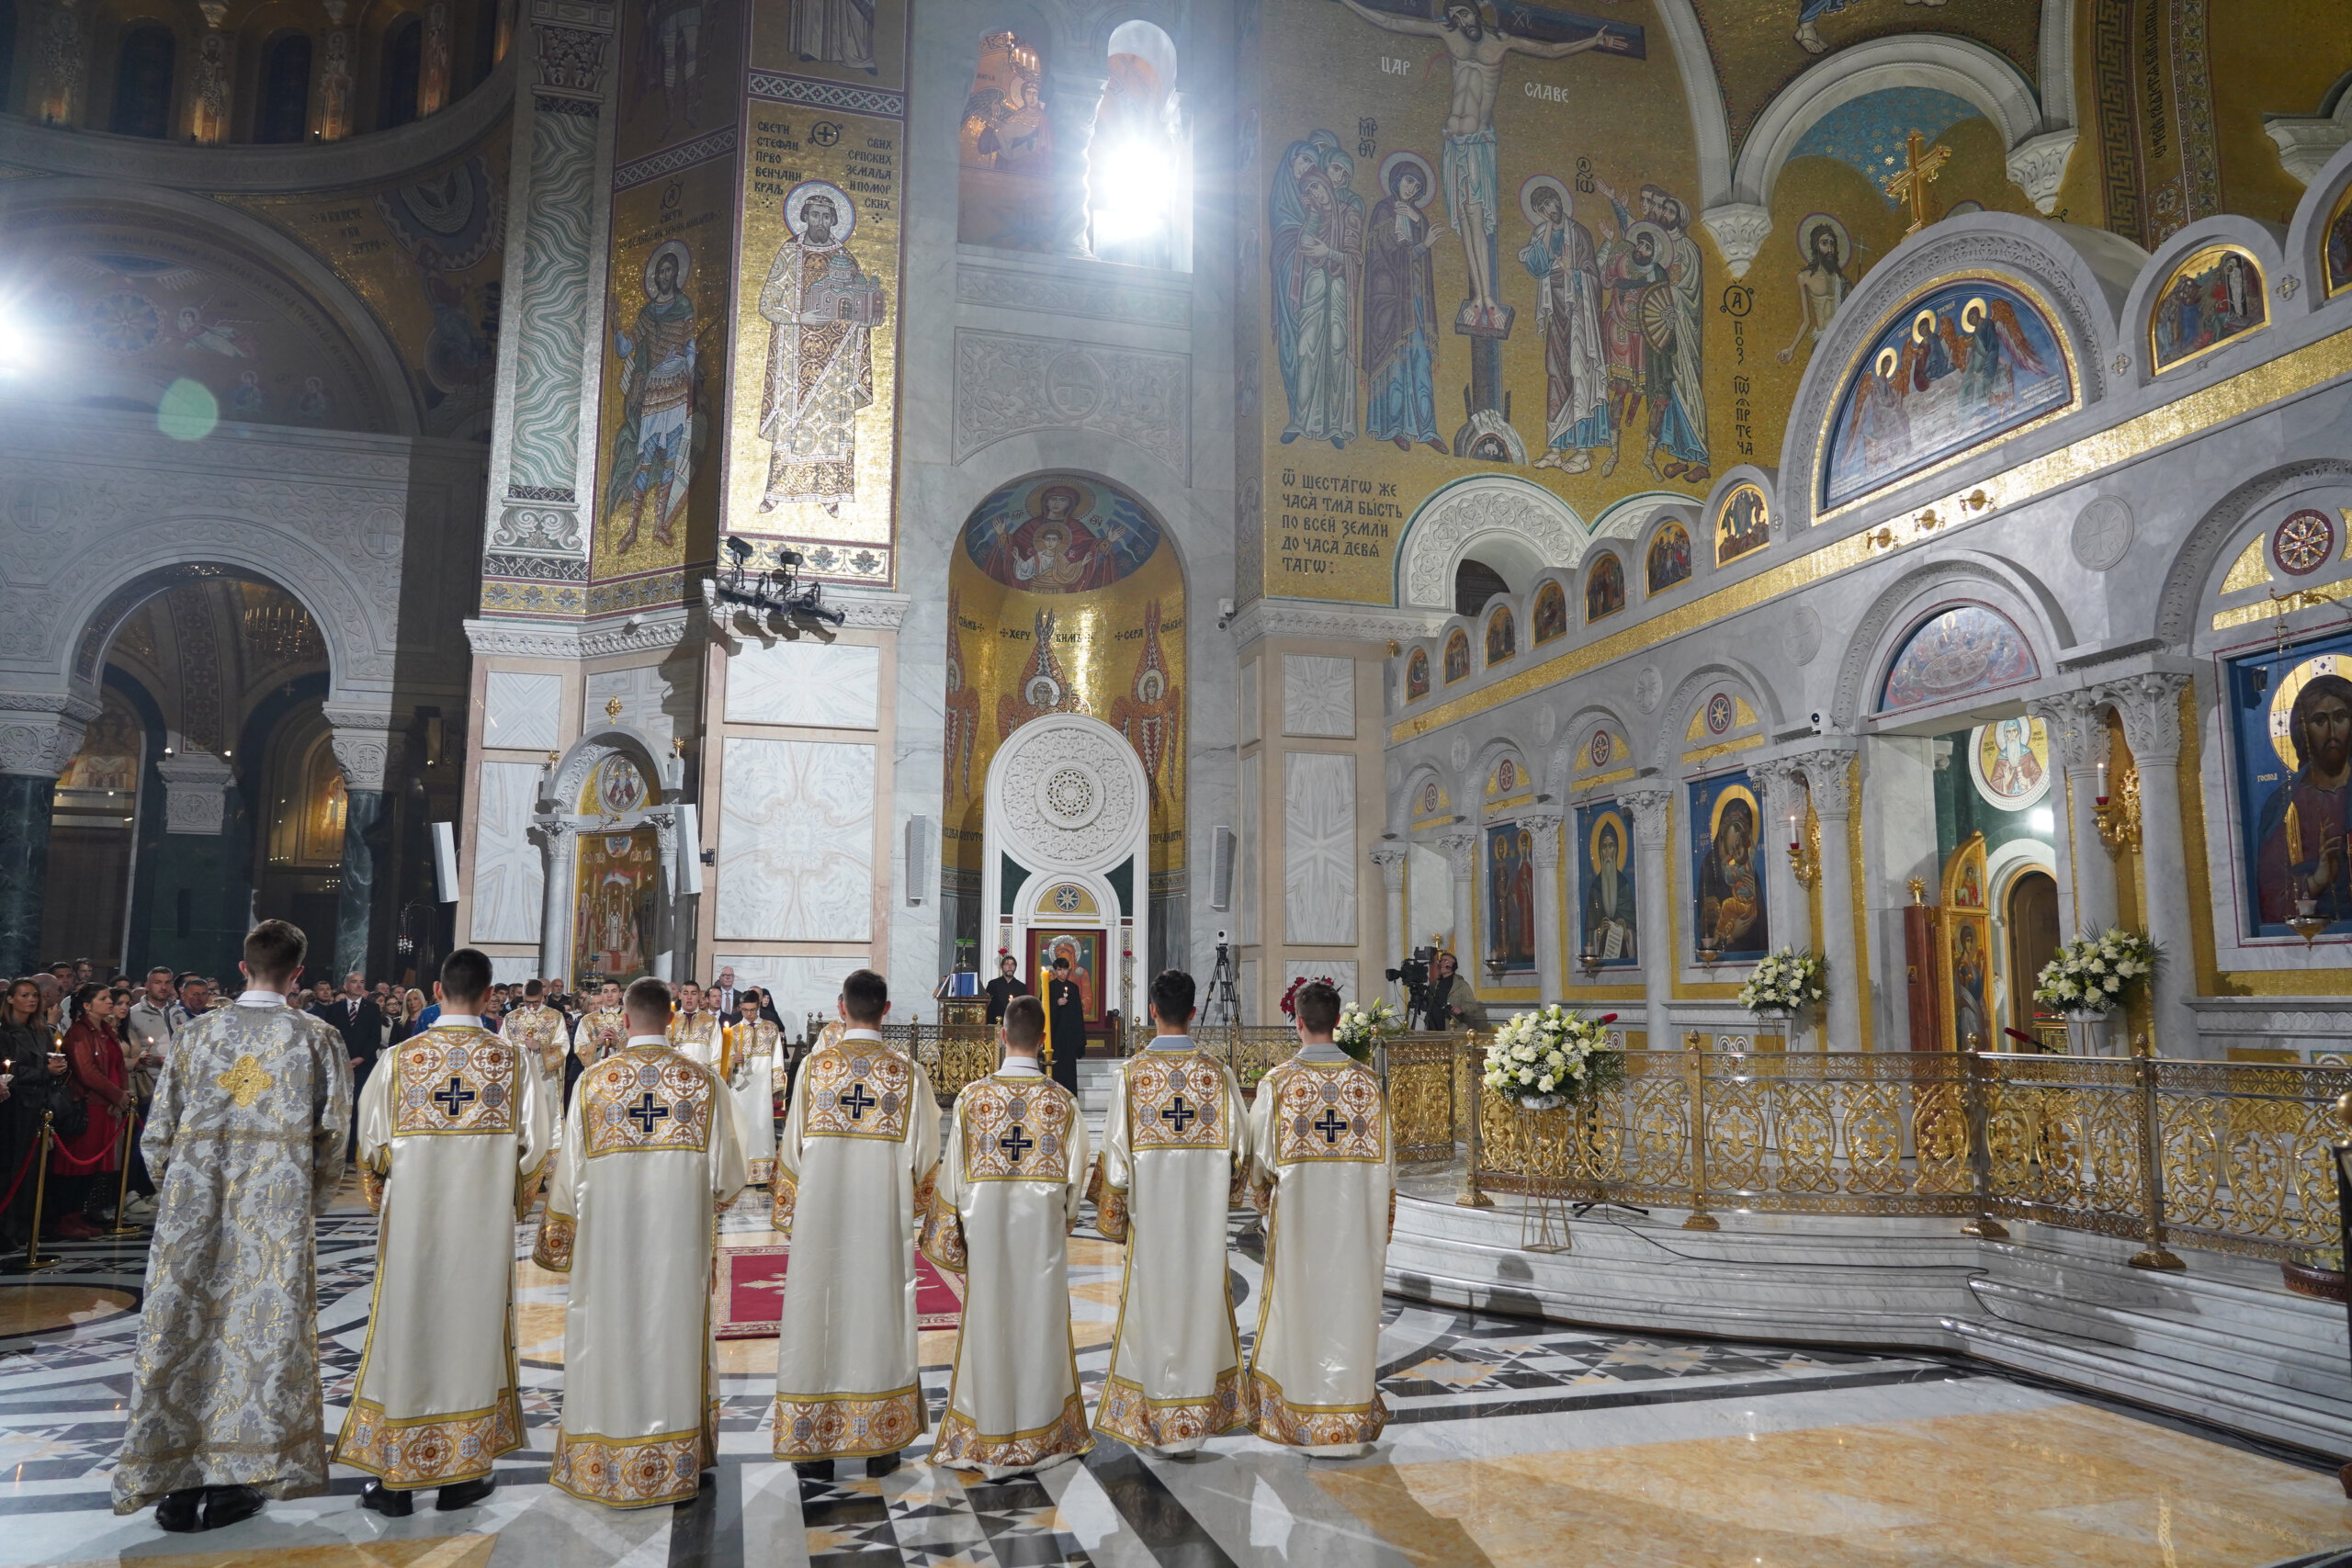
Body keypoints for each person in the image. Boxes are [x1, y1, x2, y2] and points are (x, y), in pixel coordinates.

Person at [111, 919, 351, 1531]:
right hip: (273, 1217)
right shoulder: (316, 1037)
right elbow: (333, 1139)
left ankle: (173, 1483)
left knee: (184, 1335)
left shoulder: (198, 1034)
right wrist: (307, 1201)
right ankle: (233, 1481)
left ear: (242, 967)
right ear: (297, 972)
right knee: (255, 1341)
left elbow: (158, 1130)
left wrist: (181, 1195)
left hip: (194, 1210)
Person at [337, 949, 551, 1517]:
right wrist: (510, 1202)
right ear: (489, 997)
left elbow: (372, 1148)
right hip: (481, 1233)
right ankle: (463, 1473)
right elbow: (535, 1155)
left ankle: (397, 1481)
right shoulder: (513, 1062)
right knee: (472, 1334)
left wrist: (390, 1202)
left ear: (436, 990)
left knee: (406, 1328)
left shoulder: (401, 1058)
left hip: (413, 1228)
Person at [535, 976, 746, 1506]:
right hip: (678, 1246)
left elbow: (568, 1178)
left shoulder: (593, 1084)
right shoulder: (702, 1084)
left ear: (624, 1020)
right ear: (672, 1019)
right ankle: (677, 1454)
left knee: (610, 1333)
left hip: (610, 1246)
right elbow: (728, 1181)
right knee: (673, 1333)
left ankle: (606, 1451)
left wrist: (559, 1237)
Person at [771, 968, 940, 1479]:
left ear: (842, 1008)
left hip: (821, 1226)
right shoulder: (906, 1074)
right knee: (878, 1315)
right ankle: (880, 1443)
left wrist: (793, 1211)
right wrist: (906, 1204)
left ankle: (813, 1445)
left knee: (815, 1316)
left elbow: (793, 1155)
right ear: (886, 1010)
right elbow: (927, 1160)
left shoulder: (815, 1070)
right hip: (879, 1224)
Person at [920, 993, 1091, 1477]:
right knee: (1040, 1323)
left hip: (988, 1237)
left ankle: (988, 1430)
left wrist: (951, 1235)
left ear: (1001, 1037)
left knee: (990, 1324)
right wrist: (1063, 1219)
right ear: (1043, 1040)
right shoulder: (1062, 1102)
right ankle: (1042, 1431)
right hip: (1041, 1240)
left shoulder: (974, 1099)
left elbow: (951, 1178)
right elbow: (1077, 1187)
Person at [1090, 969, 1250, 1453]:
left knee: (1151, 1311)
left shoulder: (1133, 1076)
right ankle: (1199, 1413)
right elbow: (1241, 1153)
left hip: (1152, 1227)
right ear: (1194, 1012)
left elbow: (1116, 1165)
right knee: (1201, 1309)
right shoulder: (1217, 1074)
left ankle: (1157, 1410)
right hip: (1202, 1228)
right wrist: (1222, 1197)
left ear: (1152, 1012)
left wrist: (1113, 1220)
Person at [1242, 981, 1394, 1457]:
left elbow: (1259, 1167)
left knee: (1301, 1313)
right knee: (1350, 1312)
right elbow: (1389, 1172)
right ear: (1338, 1023)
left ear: (1299, 1023)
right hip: (1354, 1231)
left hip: (1301, 1229)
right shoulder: (1368, 1083)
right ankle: (1348, 1414)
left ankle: (1303, 1412)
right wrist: (1379, 1225)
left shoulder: (1279, 1084)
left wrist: (1268, 1206)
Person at [55, 983, 130, 1235]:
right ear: (87, 1006)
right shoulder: (79, 1033)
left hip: (107, 1107)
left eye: (109, 997)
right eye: (104, 998)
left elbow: (118, 1065)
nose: (110, 1002)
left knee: (94, 1168)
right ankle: (66, 1218)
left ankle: (79, 1215)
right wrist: (116, 1094)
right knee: (79, 1166)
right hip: (88, 1106)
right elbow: (87, 1072)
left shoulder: (105, 1030)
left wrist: (122, 1094)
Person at [0, 978, 62, 1252]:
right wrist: (43, 1072)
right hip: (13, 1107)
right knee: (11, 1169)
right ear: (10, 999)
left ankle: (27, 1227)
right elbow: (8, 1072)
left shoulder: (41, 1030)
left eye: (35, 995)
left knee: (33, 1169)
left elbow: (49, 1059)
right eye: (25, 995)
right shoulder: (4, 1032)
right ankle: (8, 1230)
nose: (32, 1000)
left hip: (38, 1104)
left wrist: (57, 1066)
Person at [722, 991, 779, 1184]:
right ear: (740, 1008)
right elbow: (723, 1063)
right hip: (741, 1090)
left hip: (762, 1089)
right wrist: (732, 1060)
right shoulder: (734, 1030)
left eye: (753, 1010)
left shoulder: (771, 1028)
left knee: (762, 1125)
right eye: (745, 1010)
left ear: (759, 1007)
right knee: (742, 1127)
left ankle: (763, 1174)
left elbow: (778, 1059)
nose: (749, 1015)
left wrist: (776, 1087)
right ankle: (741, 1172)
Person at [503, 979, 571, 1089]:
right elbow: (503, 1044)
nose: (531, 1007)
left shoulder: (555, 1017)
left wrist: (540, 1047)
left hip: (545, 1078)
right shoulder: (511, 1018)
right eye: (527, 1002)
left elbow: (563, 1047)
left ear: (542, 998)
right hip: (519, 1075)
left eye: (535, 1002)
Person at [1043, 955, 1086, 1095]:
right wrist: (1056, 1004)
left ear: (1068, 970)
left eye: (1064, 970)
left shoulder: (1073, 988)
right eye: (1059, 970)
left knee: (1069, 1069)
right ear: (1054, 971)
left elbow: (1078, 1013)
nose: (1062, 973)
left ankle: (1070, 1098)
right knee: (1055, 1069)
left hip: (1069, 1036)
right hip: (1054, 1035)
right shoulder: (1048, 987)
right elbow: (1043, 1009)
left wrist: (1080, 1039)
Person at [1419, 952, 1486, 1032]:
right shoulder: (1434, 985)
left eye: (1446, 961)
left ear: (1453, 966)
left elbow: (1473, 1006)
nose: (1442, 963)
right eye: (1441, 961)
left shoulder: (1461, 985)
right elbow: (1425, 1004)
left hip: (1452, 1029)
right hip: (1432, 1029)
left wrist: (1461, 1009)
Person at [576, 979, 628, 1070]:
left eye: (614, 991)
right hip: (595, 1070)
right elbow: (578, 1048)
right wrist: (598, 1042)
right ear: (601, 994)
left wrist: (618, 1044)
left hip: (622, 1069)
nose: (609, 995)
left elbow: (637, 1048)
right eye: (605, 991)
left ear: (620, 995)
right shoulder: (588, 1020)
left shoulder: (630, 1019)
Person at [668, 981, 719, 1067]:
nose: (689, 997)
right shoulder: (669, 1021)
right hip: (676, 1073)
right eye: (685, 993)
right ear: (680, 995)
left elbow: (717, 1054)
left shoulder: (711, 1021)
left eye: (693, 993)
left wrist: (713, 1079)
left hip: (703, 1075)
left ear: (699, 996)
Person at [983, 953, 1029, 1026]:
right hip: (995, 1023)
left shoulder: (1021, 987)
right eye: (1007, 964)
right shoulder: (993, 984)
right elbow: (987, 1004)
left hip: (1014, 1025)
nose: (1010, 967)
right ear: (1002, 967)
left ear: (1015, 968)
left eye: (1012, 964)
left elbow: (1025, 1008)